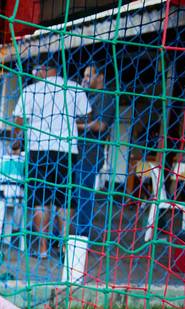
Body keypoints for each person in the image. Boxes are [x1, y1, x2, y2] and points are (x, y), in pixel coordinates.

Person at [13, 59, 90, 258]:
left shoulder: (31, 91)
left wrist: (19, 138)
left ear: (46, 69)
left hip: (39, 150)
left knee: (41, 201)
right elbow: (86, 115)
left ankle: (43, 249)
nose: (34, 72)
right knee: (65, 202)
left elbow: (18, 120)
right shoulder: (74, 88)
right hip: (66, 150)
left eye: (37, 69)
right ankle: (64, 247)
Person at [74, 64, 116, 241]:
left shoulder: (106, 97)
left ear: (100, 76)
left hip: (90, 154)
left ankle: (81, 237)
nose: (84, 79)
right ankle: (67, 233)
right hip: (77, 151)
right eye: (83, 75)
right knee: (73, 194)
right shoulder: (87, 95)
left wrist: (74, 126)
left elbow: (100, 126)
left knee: (84, 196)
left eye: (88, 75)